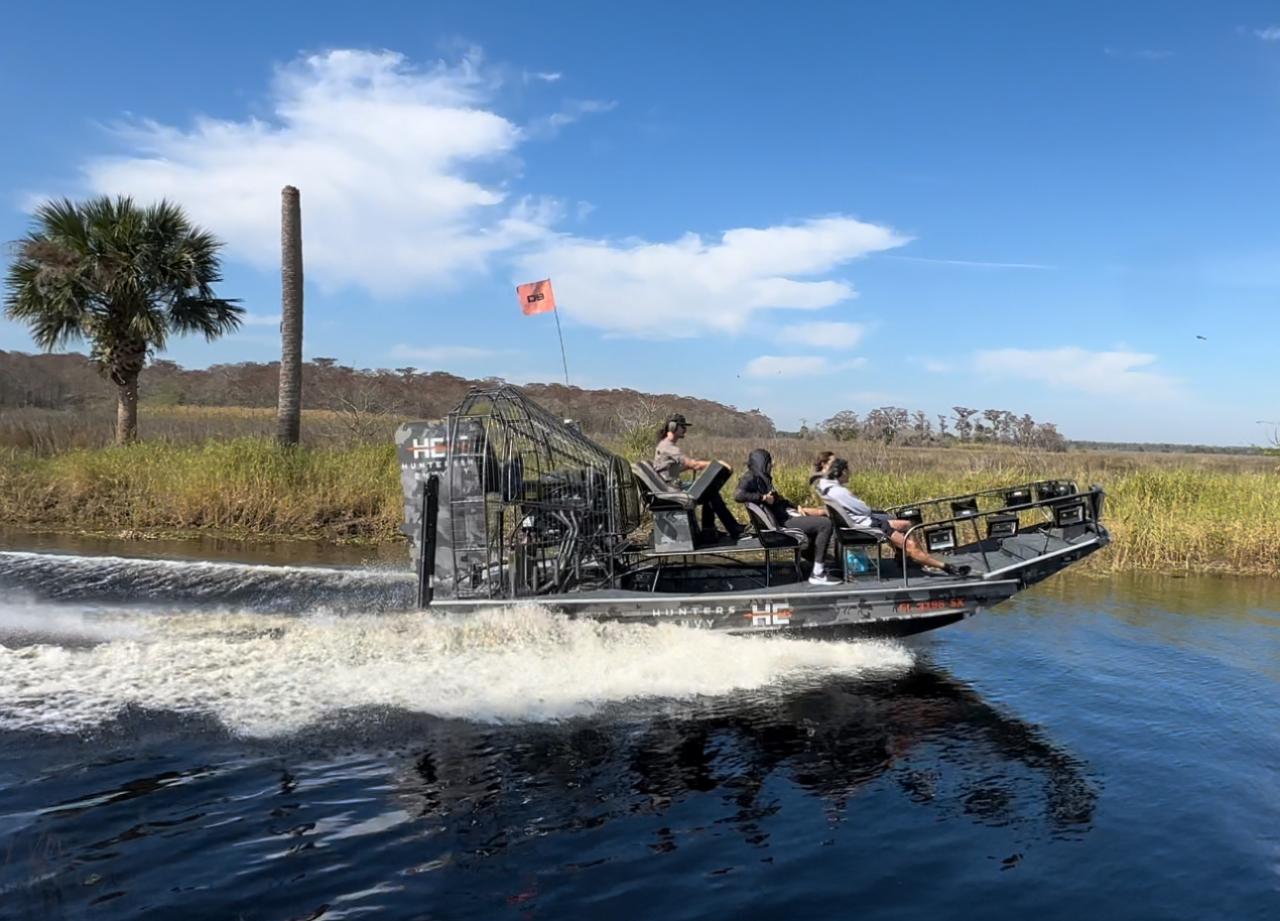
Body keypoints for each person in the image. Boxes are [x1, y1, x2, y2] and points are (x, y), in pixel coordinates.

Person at [816, 458, 971, 578]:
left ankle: (904, 558)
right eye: (848, 470)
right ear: (841, 472)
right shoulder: (840, 492)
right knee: (909, 545)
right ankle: (946, 567)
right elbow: (865, 509)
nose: (850, 473)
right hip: (868, 526)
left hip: (863, 522)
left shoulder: (831, 490)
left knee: (907, 525)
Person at [733, 448, 838, 585]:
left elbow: (777, 500)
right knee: (825, 524)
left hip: (784, 517)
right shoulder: (750, 477)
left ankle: (815, 564)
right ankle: (817, 573)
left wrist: (795, 507)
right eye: (769, 462)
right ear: (762, 463)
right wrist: (763, 497)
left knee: (816, 524)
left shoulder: (762, 478)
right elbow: (738, 495)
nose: (772, 465)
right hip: (782, 524)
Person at [652, 414, 746, 542]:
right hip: (671, 491)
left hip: (669, 487)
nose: (685, 430)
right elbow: (693, 464)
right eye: (682, 427)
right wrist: (717, 464)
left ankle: (710, 531)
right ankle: (730, 528)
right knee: (711, 493)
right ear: (673, 427)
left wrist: (692, 467)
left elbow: (673, 468)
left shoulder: (665, 446)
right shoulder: (668, 447)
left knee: (709, 491)